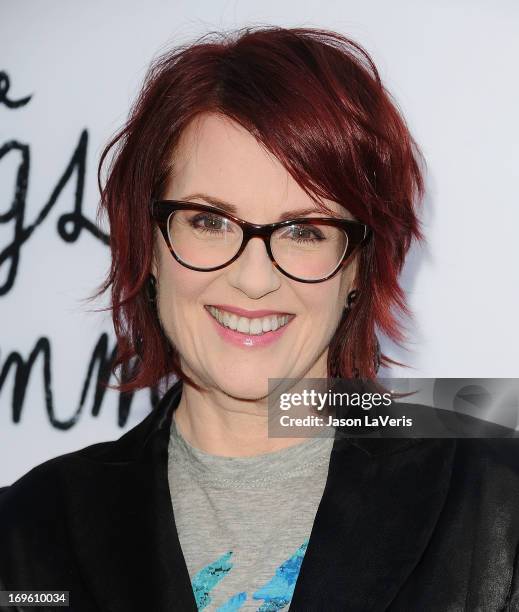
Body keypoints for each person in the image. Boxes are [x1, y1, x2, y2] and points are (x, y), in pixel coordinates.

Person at [1, 25, 519, 612]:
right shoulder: (27, 533)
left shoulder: (495, 494)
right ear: (147, 244)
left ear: (357, 268)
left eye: (304, 231)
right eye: (209, 221)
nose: (252, 278)